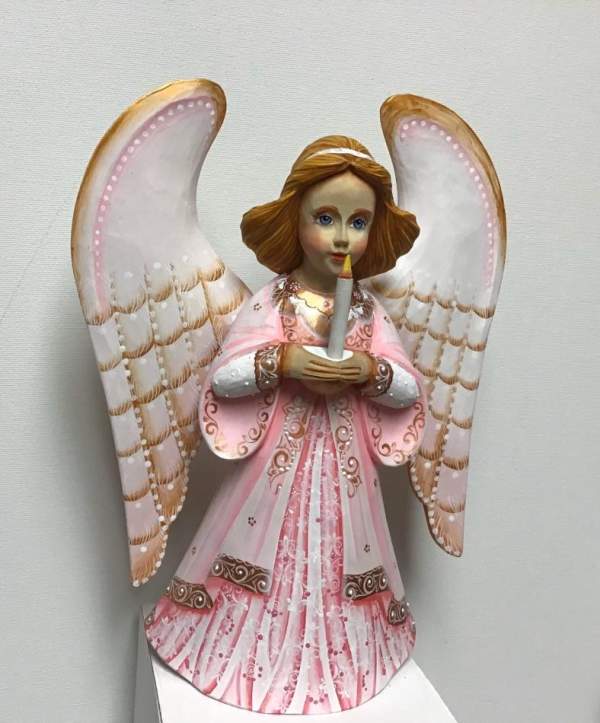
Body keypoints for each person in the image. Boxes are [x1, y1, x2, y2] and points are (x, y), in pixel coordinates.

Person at [145, 135, 427, 714]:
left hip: (346, 474)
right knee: (263, 553)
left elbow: (408, 389)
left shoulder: (368, 312)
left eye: (358, 222)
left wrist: (368, 371)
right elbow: (224, 378)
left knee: (342, 557)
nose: (342, 237)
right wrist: (282, 362)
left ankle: (345, 658)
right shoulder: (276, 303)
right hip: (274, 474)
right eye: (326, 218)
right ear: (295, 220)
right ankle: (246, 654)